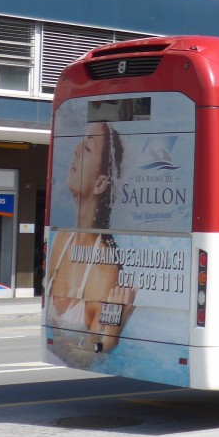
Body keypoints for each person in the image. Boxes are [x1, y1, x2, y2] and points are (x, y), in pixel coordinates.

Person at [45, 122, 136, 360]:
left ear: (100, 184)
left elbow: (96, 355)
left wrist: (112, 333)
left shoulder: (105, 271)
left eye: (87, 148)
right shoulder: (62, 239)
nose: (76, 148)